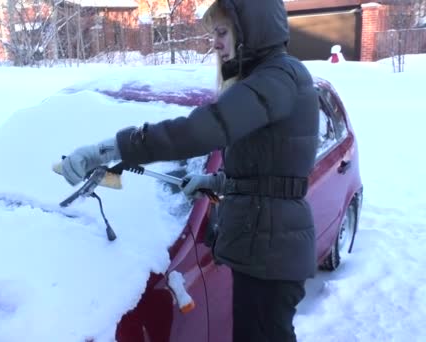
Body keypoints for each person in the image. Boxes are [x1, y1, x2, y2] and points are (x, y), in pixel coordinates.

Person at [58, 0, 319, 340]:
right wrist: (216, 180)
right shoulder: (270, 79)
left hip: (271, 253)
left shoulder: (278, 78)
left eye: (222, 32)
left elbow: (201, 130)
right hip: (264, 247)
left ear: (250, 32)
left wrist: (111, 148)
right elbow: (271, 166)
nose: (215, 43)